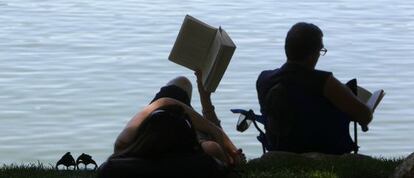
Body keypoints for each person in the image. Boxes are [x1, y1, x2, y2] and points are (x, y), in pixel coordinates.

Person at [98, 71, 244, 178]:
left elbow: (163, 102)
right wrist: (206, 102)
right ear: (190, 141)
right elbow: (231, 164)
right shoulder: (205, 164)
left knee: (180, 84)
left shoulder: (115, 166)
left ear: (145, 136)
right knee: (182, 84)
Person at [256, 22, 373, 154]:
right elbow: (365, 116)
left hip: (279, 148)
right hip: (321, 151)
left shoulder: (263, 79)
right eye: (320, 51)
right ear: (312, 54)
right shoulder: (324, 82)